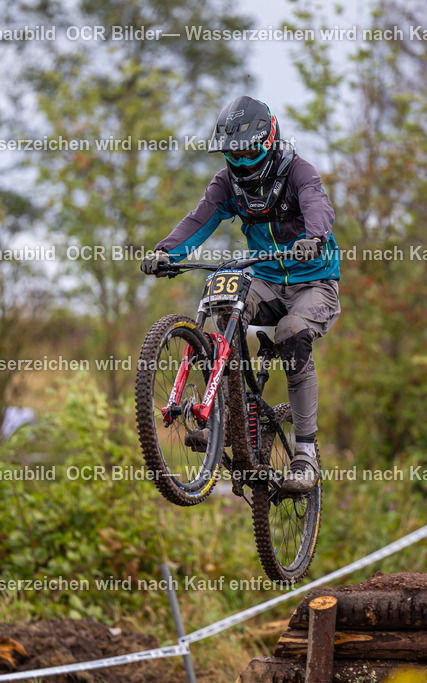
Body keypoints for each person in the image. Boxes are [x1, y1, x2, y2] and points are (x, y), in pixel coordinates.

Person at [140, 95, 341, 494]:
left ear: (268, 140)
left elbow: (319, 205)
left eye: (248, 148)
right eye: (233, 150)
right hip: (264, 280)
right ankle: (226, 411)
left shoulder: (298, 171)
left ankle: (305, 452)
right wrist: (165, 252)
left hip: (314, 283)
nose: (241, 157)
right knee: (224, 300)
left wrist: (314, 238)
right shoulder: (226, 183)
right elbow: (198, 220)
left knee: (292, 331)